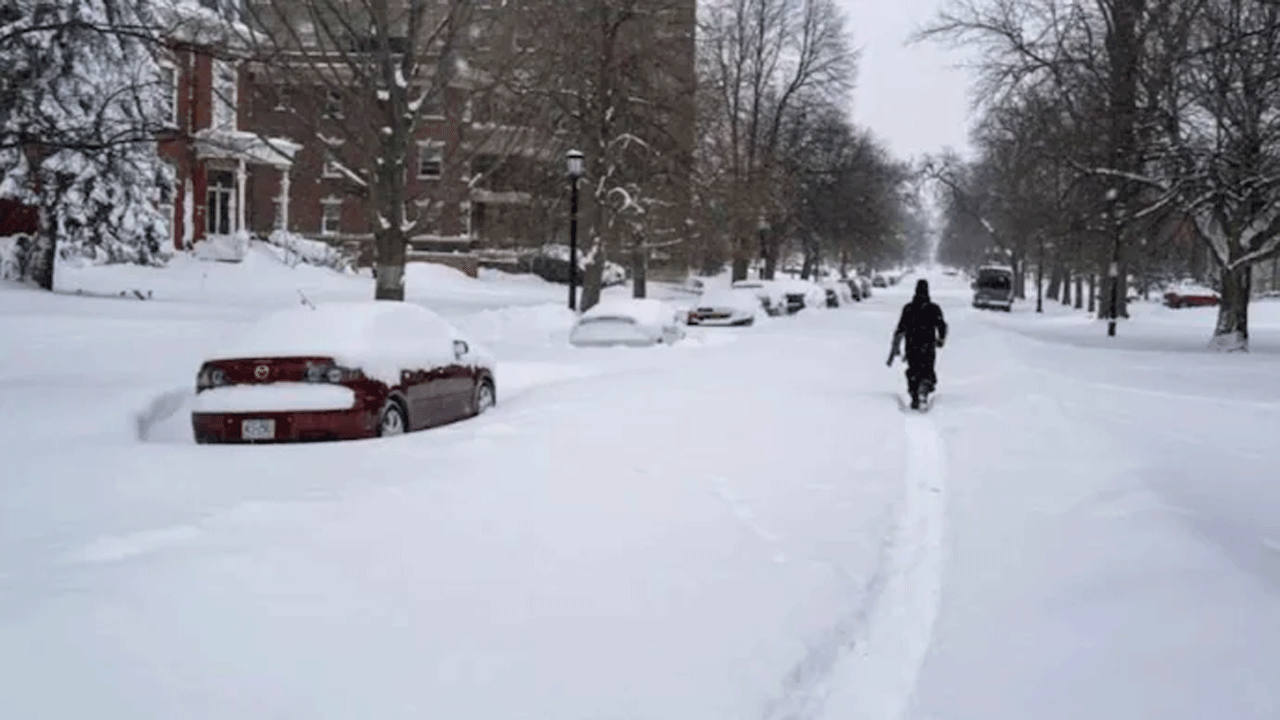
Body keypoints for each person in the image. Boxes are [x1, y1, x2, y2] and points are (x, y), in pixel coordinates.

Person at [888, 279, 948, 409]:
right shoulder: (934, 309)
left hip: (912, 345)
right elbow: (941, 325)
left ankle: (914, 395)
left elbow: (901, 328)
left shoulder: (908, 308)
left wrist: (896, 346)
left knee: (913, 370)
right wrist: (941, 339)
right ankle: (924, 391)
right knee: (927, 368)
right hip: (928, 345)